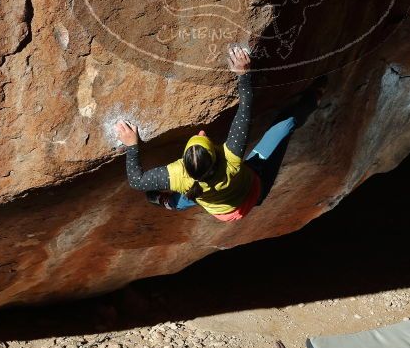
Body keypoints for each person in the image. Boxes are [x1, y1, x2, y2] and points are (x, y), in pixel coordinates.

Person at [114, 46, 324, 221]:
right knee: (284, 124)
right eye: (204, 138)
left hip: (221, 209)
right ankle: (314, 97)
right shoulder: (231, 157)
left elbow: (136, 181)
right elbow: (245, 109)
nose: (203, 131)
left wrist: (132, 145)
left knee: (194, 193)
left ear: (183, 162)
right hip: (253, 193)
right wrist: (243, 74)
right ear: (215, 156)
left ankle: (167, 202)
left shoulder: (178, 176)